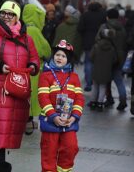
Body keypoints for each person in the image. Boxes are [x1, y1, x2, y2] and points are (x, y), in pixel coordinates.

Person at [0, 0, 40, 172]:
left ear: (17, 17)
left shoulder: (27, 39)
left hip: (17, 89)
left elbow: (34, 58)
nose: (6, 17)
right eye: (3, 13)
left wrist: (33, 66)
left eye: (11, 14)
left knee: (8, 128)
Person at [38, 40, 84, 172]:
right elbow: (43, 98)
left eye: (63, 56)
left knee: (71, 148)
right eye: (57, 54)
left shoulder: (74, 77)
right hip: (50, 122)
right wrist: (53, 116)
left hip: (69, 122)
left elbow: (79, 99)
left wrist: (75, 117)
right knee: (49, 153)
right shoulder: (45, 76)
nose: (59, 58)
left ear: (68, 60)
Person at [22, 4, 51, 134]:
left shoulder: (21, 28)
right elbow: (46, 50)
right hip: (34, 68)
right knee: (32, 95)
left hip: (21, 66)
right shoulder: (34, 31)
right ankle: (27, 122)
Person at [77, 1, 106, 91]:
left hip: (87, 42)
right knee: (97, 63)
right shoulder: (102, 15)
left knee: (88, 62)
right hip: (99, 42)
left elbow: (80, 28)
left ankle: (88, 83)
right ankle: (96, 82)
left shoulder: (85, 15)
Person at [88, 26, 117, 112]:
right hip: (106, 70)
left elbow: (91, 57)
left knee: (95, 86)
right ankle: (100, 103)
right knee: (103, 87)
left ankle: (93, 102)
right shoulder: (111, 48)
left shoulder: (96, 46)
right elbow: (114, 60)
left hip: (96, 68)